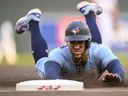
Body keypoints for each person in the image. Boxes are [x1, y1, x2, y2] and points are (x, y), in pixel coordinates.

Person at [15, 1, 125, 85]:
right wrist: (56, 82)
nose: (76, 46)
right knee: (41, 61)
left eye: (80, 42)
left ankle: (89, 13)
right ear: (67, 42)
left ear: (87, 42)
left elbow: (117, 68)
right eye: (72, 42)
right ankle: (33, 22)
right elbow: (51, 77)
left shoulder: (100, 50)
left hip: (93, 50)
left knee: (97, 47)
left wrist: (117, 77)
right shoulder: (59, 54)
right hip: (60, 74)